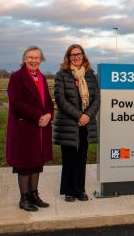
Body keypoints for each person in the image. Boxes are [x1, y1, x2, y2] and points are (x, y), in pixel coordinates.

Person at [6, 46, 54, 212]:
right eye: (30, 57)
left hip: (40, 128)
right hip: (24, 128)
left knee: (36, 163)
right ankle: (24, 198)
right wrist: (38, 116)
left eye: (37, 58)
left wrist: (48, 115)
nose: (34, 60)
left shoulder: (41, 77)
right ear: (24, 58)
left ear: (41, 60)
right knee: (25, 164)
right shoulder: (16, 78)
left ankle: (34, 195)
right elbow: (16, 104)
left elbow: (48, 101)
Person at [53, 44, 100, 202]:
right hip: (69, 124)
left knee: (82, 158)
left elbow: (97, 99)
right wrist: (79, 115)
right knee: (69, 158)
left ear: (83, 56)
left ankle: (79, 190)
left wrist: (87, 116)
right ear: (68, 57)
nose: (76, 57)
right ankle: (68, 191)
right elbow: (60, 99)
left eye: (79, 54)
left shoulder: (90, 75)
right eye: (73, 55)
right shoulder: (62, 75)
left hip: (86, 124)